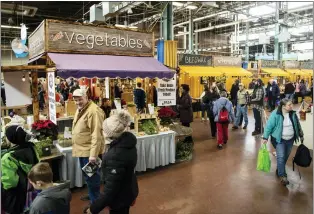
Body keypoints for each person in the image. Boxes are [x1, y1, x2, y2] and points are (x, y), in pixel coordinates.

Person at [87, 110, 138, 214]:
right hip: (127, 191)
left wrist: (93, 209)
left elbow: (110, 190)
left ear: (110, 134)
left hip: (119, 199)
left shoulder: (115, 155)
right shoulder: (127, 144)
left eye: (104, 129)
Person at [72, 88, 105, 212]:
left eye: (80, 99)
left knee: (92, 178)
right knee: (89, 177)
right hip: (83, 150)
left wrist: (93, 155)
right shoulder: (81, 109)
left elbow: (97, 134)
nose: (78, 102)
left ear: (86, 97)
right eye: (75, 100)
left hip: (89, 152)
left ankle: (95, 206)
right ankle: (93, 195)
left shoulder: (94, 111)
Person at [262, 98, 304, 186]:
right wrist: (265, 137)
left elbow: (297, 125)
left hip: (290, 139)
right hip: (279, 139)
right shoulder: (276, 114)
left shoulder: (292, 113)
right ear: (283, 106)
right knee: (281, 156)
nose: (292, 106)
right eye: (289, 105)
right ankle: (283, 176)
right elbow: (269, 126)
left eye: (292, 104)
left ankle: (280, 169)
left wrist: (301, 134)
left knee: (285, 157)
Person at [1, 125, 39, 214]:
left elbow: (10, 182)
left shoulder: (8, 157)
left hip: (17, 195)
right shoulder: (32, 147)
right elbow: (37, 164)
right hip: (31, 188)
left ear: (10, 139)